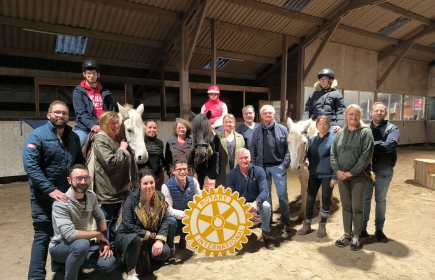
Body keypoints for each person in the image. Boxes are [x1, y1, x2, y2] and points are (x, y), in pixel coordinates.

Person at [22, 100, 83, 280]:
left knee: (67, 234)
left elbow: (79, 162)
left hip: (66, 197)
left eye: (64, 113)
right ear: (49, 115)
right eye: (57, 112)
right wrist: (50, 189)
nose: (61, 116)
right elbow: (31, 166)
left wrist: (79, 183)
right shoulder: (37, 136)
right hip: (43, 197)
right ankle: (36, 277)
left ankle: (63, 267)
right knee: (42, 235)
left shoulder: (73, 137)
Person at [49, 164, 116, 280]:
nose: (83, 182)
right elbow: (70, 235)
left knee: (109, 262)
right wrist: (96, 234)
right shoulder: (61, 203)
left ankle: (76, 263)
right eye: (79, 178)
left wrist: (103, 242)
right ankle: (63, 267)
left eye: (86, 178)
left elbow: (101, 218)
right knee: (82, 245)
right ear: (69, 180)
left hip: (82, 245)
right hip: (60, 247)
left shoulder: (91, 196)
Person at [330, 104, 374, 251]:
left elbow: (366, 156)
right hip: (342, 176)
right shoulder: (340, 134)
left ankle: (356, 235)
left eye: (356, 114)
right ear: (345, 115)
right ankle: (347, 233)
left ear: (360, 116)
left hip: (359, 176)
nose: (353, 117)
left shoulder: (365, 133)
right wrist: (337, 171)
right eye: (351, 114)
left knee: (357, 207)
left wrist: (351, 172)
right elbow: (333, 154)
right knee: (346, 206)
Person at [115, 168, 170, 279]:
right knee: (135, 239)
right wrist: (148, 234)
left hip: (150, 236)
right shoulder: (131, 200)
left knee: (165, 252)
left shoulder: (160, 197)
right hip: (127, 235)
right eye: (145, 183)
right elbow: (127, 224)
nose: (149, 186)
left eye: (151, 182)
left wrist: (159, 240)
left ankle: (143, 258)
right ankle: (131, 272)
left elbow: (165, 219)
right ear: (139, 185)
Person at [93, 111, 137, 248]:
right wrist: (122, 149)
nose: (116, 126)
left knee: (114, 220)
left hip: (120, 188)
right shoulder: (100, 139)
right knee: (106, 220)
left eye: (117, 123)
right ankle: (104, 246)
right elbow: (110, 162)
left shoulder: (119, 138)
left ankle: (112, 245)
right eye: (112, 123)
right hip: (108, 189)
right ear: (104, 124)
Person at [361, 102, 400, 243]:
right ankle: (362, 229)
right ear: (370, 113)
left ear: (385, 113)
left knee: (381, 201)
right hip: (366, 170)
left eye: (382, 111)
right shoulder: (364, 128)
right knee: (364, 201)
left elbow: (389, 146)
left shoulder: (393, 128)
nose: (379, 113)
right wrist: (380, 144)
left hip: (385, 170)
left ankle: (379, 230)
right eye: (376, 110)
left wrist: (369, 145)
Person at [250, 105, 291, 231]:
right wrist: (256, 168)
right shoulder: (257, 131)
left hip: (278, 166)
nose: (267, 115)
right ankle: (269, 219)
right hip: (262, 168)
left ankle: (285, 221)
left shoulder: (283, 129)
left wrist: (285, 163)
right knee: (266, 196)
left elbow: (289, 148)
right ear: (261, 116)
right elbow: (253, 149)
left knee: (282, 195)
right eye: (265, 113)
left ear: (274, 115)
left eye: (270, 113)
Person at [226, 148, 274, 250]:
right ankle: (236, 233)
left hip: (257, 203)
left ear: (250, 158)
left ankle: (265, 233)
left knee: (266, 206)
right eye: (241, 158)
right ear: (237, 160)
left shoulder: (259, 171)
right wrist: (244, 211)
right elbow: (231, 198)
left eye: (246, 157)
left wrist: (256, 203)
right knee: (227, 209)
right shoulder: (230, 175)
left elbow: (265, 191)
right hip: (240, 206)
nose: (244, 160)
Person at [298, 115, 337, 237]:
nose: (322, 126)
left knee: (325, 200)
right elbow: (308, 155)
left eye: (325, 124)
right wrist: (307, 160)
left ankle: (322, 225)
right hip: (314, 174)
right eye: (320, 124)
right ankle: (307, 224)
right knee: (310, 200)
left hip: (327, 174)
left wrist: (335, 176)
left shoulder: (334, 139)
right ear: (317, 126)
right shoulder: (312, 140)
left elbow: (337, 159)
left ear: (328, 126)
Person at [162, 158, 201, 262]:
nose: (183, 172)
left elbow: (200, 199)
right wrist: (187, 215)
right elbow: (168, 209)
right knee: (170, 221)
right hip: (176, 217)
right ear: (173, 171)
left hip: (189, 217)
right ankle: (171, 249)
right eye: (179, 169)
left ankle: (184, 238)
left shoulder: (194, 181)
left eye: (185, 169)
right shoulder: (166, 186)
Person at [73, 59, 116, 146]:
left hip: (106, 127)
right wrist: (92, 125)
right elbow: (80, 112)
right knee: (75, 145)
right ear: (84, 74)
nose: (91, 76)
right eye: (89, 73)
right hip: (85, 128)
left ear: (98, 75)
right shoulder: (78, 92)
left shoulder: (105, 92)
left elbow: (112, 111)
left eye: (94, 73)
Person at [302, 68, 345, 133]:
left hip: (331, 125)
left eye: (325, 79)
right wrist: (305, 122)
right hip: (314, 125)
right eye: (321, 79)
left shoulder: (337, 95)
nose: (322, 81)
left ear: (330, 80)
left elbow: (340, 111)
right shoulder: (313, 95)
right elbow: (307, 110)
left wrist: (339, 125)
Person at [214, 114, 245, 187]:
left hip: (237, 169)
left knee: (237, 193)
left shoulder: (240, 137)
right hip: (222, 170)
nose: (228, 124)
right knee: (223, 193)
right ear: (223, 124)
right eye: (226, 122)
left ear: (234, 123)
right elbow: (213, 152)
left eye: (230, 122)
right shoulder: (217, 137)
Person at [138, 120, 166, 191]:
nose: (152, 130)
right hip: (143, 176)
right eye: (150, 127)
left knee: (157, 197)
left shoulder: (160, 143)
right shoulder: (140, 141)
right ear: (145, 129)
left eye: (154, 128)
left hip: (157, 175)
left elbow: (161, 157)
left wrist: (163, 167)